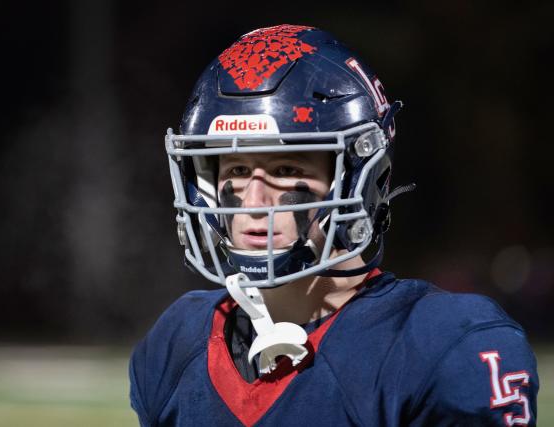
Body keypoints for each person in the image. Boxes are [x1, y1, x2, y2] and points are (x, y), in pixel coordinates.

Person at [129, 24, 539, 426]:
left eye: (286, 168)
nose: (253, 203)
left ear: (358, 180)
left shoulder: (443, 345)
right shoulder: (177, 342)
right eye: (235, 168)